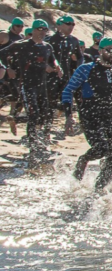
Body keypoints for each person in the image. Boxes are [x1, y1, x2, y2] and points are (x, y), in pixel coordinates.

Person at [61, 37, 112, 198]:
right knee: (102, 148)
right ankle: (84, 160)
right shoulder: (86, 69)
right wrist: (69, 116)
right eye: (109, 50)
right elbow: (68, 91)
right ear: (101, 51)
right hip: (91, 117)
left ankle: (98, 188)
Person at [0, 19, 64, 165]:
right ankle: (33, 147)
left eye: (45, 30)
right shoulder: (22, 45)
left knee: (45, 115)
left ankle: (35, 138)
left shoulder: (47, 47)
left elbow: (53, 59)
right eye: (40, 29)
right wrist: (8, 68)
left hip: (42, 85)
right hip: (26, 84)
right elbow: (2, 54)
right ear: (33, 30)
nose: (42, 32)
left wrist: (57, 67)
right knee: (33, 114)